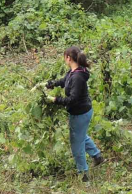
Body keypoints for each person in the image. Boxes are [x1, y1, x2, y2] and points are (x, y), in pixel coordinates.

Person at [45, 46, 105, 182]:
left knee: (76, 145)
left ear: (68, 58)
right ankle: (97, 156)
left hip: (80, 113)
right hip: (82, 112)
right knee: (81, 135)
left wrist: (56, 100)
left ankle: (83, 175)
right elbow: (64, 81)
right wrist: (52, 84)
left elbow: (72, 100)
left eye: (64, 57)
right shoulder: (74, 72)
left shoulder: (77, 76)